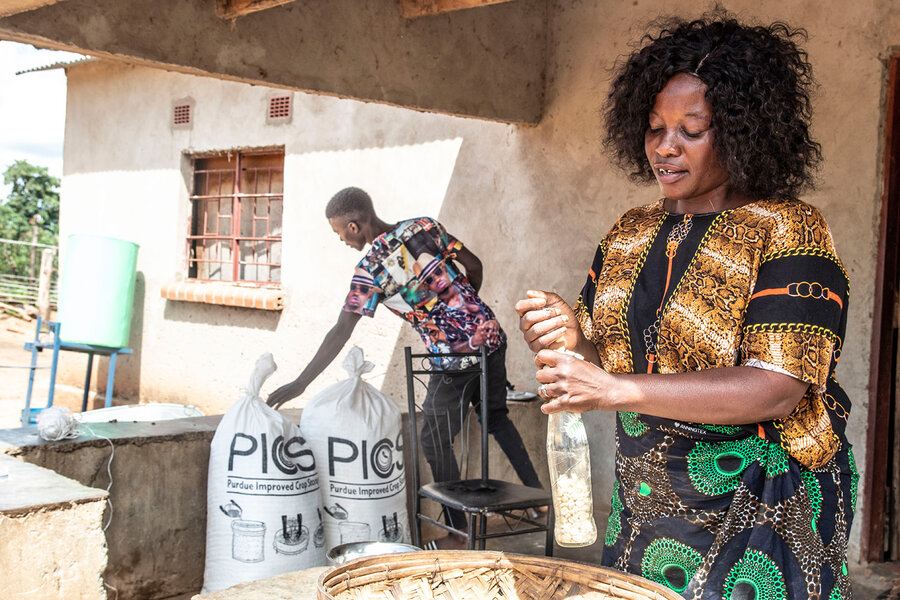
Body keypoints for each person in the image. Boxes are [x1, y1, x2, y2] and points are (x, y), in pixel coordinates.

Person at [516, 14, 857, 600]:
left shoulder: (789, 229)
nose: (664, 148)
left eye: (690, 130)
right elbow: (614, 358)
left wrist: (616, 392)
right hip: (649, 493)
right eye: (654, 129)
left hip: (764, 498)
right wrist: (574, 337)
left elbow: (777, 386)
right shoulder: (629, 231)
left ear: (743, 131)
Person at [267, 186, 544, 549]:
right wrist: (466, 311)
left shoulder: (370, 270)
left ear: (354, 226)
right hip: (491, 335)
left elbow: (341, 330)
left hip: (454, 358)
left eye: (339, 234)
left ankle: (459, 533)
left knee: (432, 437)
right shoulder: (424, 226)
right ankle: (539, 501)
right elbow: (473, 266)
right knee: (496, 418)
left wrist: (301, 382)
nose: (342, 241)